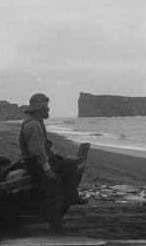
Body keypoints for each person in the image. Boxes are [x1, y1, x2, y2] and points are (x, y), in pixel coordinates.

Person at [19, 93, 88, 233]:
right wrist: (47, 170)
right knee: (54, 192)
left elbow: (42, 146)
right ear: (39, 108)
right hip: (36, 164)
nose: (49, 109)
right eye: (46, 106)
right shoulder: (33, 124)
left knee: (70, 164)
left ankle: (73, 196)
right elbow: (36, 151)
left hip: (43, 158)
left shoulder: (36, 120)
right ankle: (56, 228)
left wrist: (56, 154)